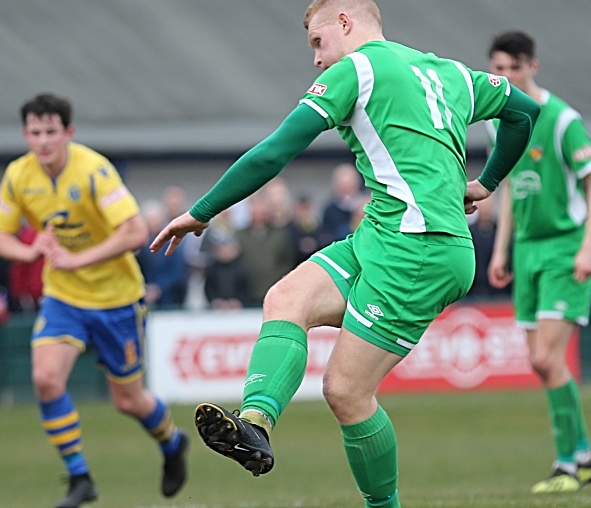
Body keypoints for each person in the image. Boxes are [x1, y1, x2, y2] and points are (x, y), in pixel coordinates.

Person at [150, 2, 539, 507]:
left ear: (346, 23)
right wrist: (486, 183)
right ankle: (254, 425)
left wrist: (202, 211)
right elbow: (523, 111)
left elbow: (274, 152)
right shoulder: (449, 72)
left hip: (419, 248)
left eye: (317, 41)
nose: (316, 59)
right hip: (383, 232)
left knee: (347, 391)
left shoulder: (356, 70)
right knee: (286, 298)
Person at [0, 93, 189, 508]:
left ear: (68, 133)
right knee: (45, 379)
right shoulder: (18, 175)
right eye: (35, 132)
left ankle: (172, 443)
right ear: (25, 134)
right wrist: (30, 252)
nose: (43, 141)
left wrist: (78, 257)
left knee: (128, 401)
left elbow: (135, 232)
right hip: (63, 297)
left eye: (51, 132)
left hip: (117, 300)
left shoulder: (94, 170)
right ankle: (80, 477)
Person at [485, 31, 591, 494]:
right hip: (527, 251)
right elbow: (514, 187)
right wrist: (501, 249)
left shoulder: (561, 120)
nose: (505, 77)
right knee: (541, 363)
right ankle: (585, 456)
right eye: (498, 69)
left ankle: (567, 465)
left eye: (513, 68)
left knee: (544, 357)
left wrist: (589, 245)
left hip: (564, 247)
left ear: (532, 67)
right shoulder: (502, 119)